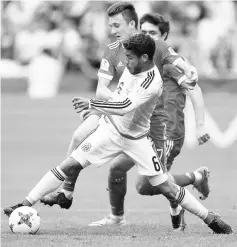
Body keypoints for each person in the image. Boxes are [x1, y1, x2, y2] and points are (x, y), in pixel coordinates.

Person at [3, 34, 233, 235]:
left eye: (130, 57)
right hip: (110, 130)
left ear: (144, 58)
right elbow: (118, 98)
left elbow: (124, 105)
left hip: (137, 140)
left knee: (165, 187)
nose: (125, 61)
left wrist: (93, 104)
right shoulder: (133, 64)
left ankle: (210, 218)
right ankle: (24, 205)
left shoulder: (151, 82)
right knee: (70, 165)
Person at [40, 2, 209, 230]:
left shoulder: (164, 61)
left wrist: (200, 125)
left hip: (164, 128)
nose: (148, 37)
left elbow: (193, 87)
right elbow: (115, 94)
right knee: (96, 149)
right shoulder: (129, 53)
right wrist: (106, 108)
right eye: (145, 31)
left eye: (153, 33)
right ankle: (100, 209)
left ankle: (191, 185)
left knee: (148, 185)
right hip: (128, 121)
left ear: (163, 37)